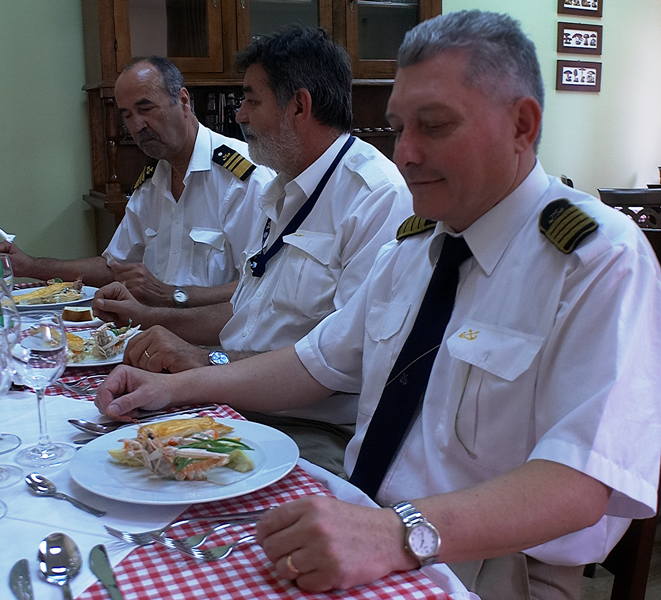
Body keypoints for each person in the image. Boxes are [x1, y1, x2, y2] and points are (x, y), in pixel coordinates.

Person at [94, 11, 661, 599]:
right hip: (367, 513)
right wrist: (174, 388)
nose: (405, 152)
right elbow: (315, 362)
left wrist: (395, 534)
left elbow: (579, 483)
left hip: (493, 560)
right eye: (397, 127)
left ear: (522, 125)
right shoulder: (415, 247)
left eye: (433, 126)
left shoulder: (596, 260)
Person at [92, 26, 412, 476]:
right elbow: (245, 312)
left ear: (298, 105)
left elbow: (343, 363)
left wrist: (205, 362)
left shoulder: (375, 197)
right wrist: (154, 320)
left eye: (251, 100)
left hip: (310, 426)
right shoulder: (284, 188)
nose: (239, 115)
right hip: (235, 398)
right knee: (109, 447)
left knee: (158, 489)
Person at [0, 56, 272, 308]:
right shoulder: (152, 182)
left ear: (183, 101)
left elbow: (263, 286)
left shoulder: (244, 178)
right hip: (151, 331)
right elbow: (113, 267)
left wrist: (174, 295)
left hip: (217, 340)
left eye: (145, 108)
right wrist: (28, 265)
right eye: (127, 115)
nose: (138, 125)